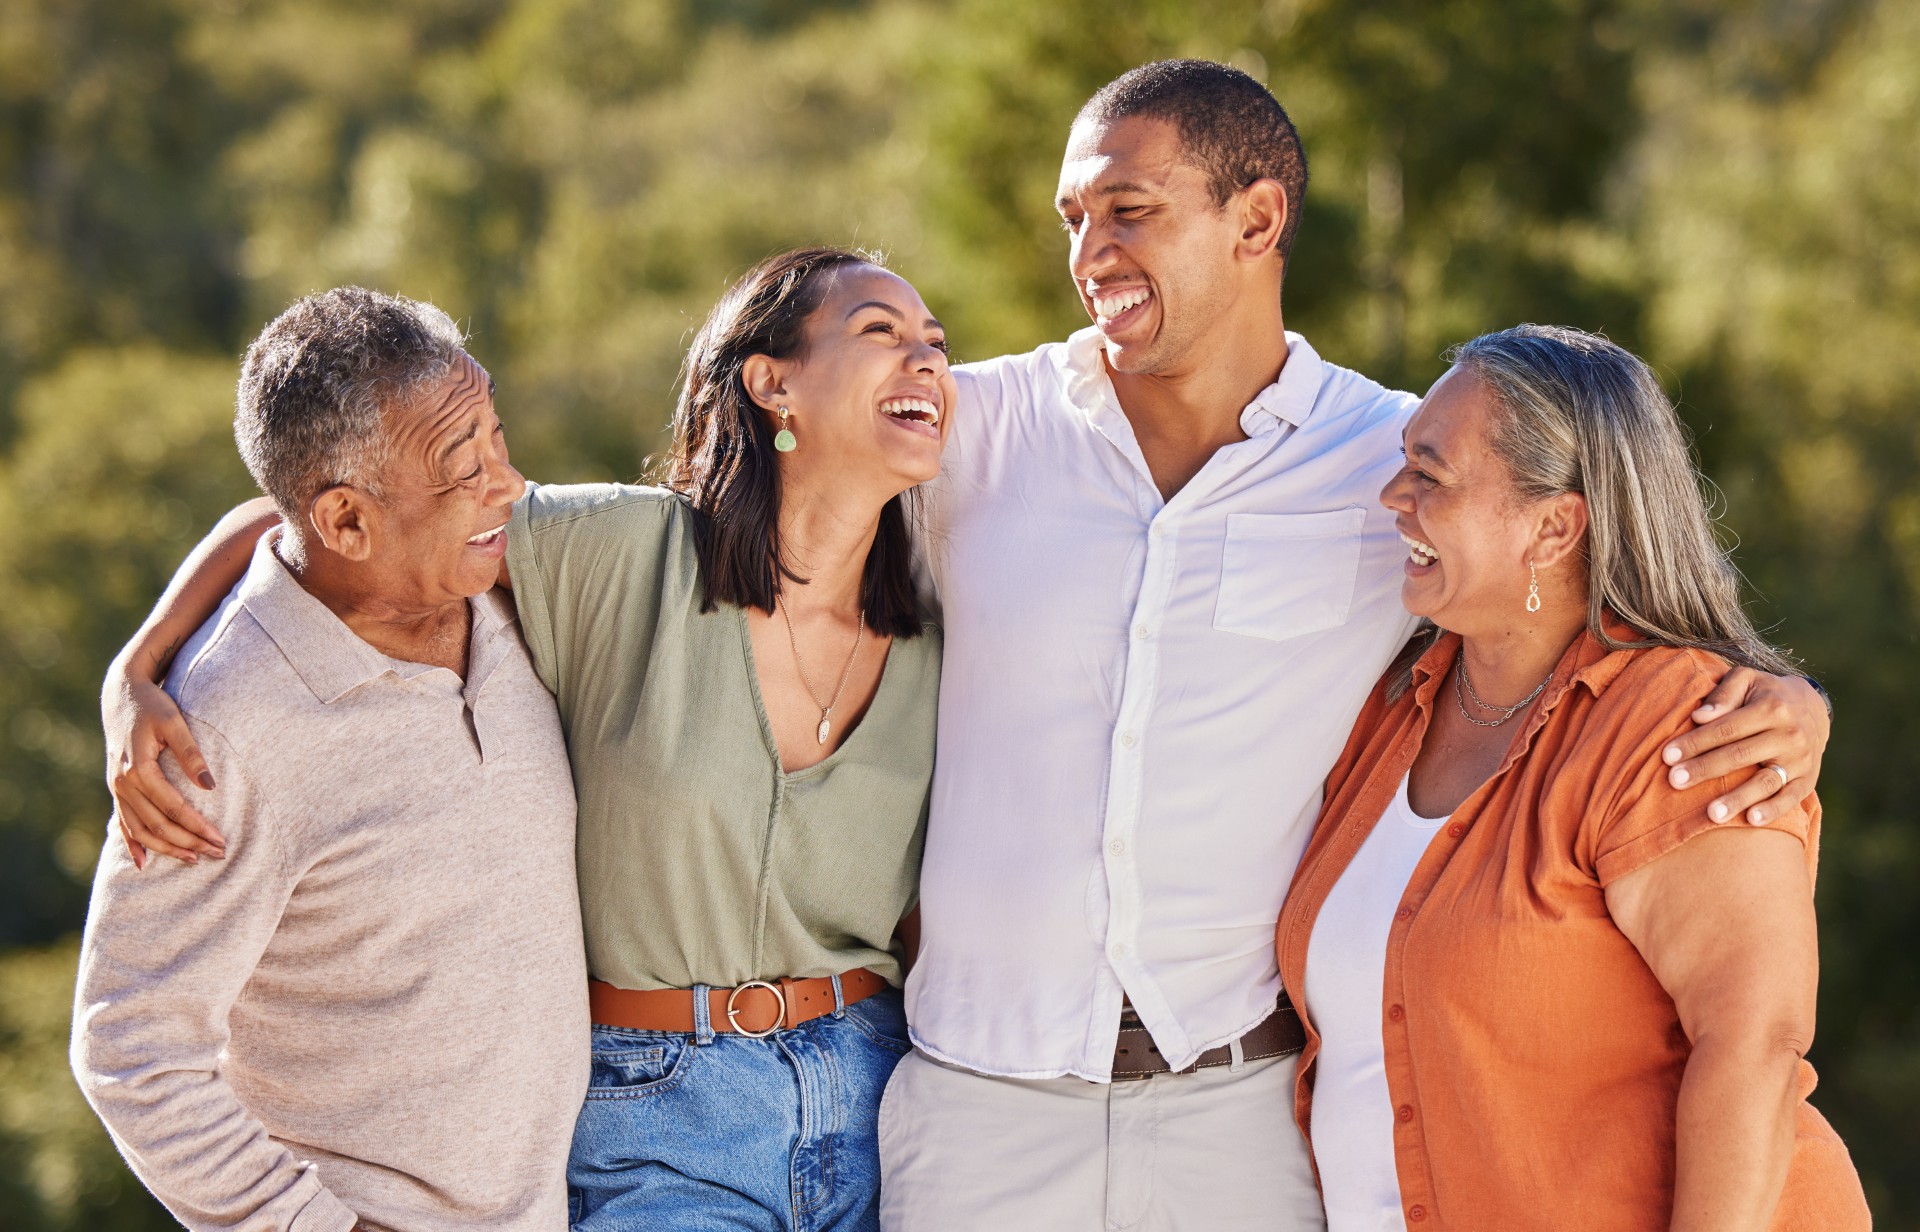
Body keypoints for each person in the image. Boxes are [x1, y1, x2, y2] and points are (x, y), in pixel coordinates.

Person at [875, 61, 1834, 1230]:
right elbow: (766, 535)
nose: (1089, 252)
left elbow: (1596, 579)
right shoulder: (967, 436)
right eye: (1074, 218)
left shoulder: (1395, 456)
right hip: (980, 1109)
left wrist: (1784, 698)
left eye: (1131, 210)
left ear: (1260, 219)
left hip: (1240, 1116)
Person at [101, 248, 954, 1231]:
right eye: (883, 334)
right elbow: (330, 519)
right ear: (772, 385)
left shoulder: (933, 637)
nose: (926, 360)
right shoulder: (618, 556)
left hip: (877, 1096)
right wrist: (140, 665)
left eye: (935, 344)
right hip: (658, 1118)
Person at [1275, 324, 1870, 1232]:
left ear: (1554, 526)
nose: (1393, 494)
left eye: (1431, 475)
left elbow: (1753, 1044)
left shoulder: (1683, 727)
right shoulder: (1391, 709)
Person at [71, 287, 589, 1231]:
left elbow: (264, 520)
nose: (507, 484)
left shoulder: (508, 583)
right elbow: (131, 1046)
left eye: (496, 438)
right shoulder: (219, 735)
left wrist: (134, 658)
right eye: (461, 465)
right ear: (348, 524)